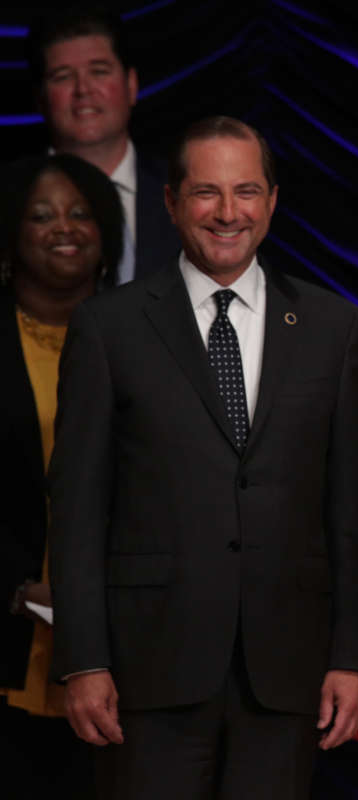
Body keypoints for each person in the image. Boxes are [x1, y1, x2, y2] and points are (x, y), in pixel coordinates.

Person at [47, 116, 358, 799]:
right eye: (206, 192)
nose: (228, 213)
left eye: (247, 191)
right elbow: (78, 507)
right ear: (170, 203)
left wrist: (352, 658)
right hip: (148, 668)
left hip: (286, 671)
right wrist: (83, 661)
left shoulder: (331, 328)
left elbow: (349, 510)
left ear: (273, 202)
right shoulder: (109, 327)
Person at [0, 153, 123, 799]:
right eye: (41, 215)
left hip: (123, 649)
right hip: (8, 636)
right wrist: (17, 589)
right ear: (12, 235)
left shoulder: (144, 339)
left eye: (80, 213)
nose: (63, 227)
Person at [25, 5, 179, 284]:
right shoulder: (12, 198)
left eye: (99, 71)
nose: (83, 90)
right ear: (40, 99)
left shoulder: (186, 192)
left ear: (131, 84)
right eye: (62, 76)